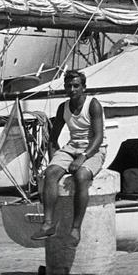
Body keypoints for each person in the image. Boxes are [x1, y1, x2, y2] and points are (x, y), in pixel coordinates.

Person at [32, 68, 106, 243]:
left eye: (75, 86)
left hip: (93, 148)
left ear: (83, 88)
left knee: (81, 176)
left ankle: (75, 228)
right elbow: (53, 138)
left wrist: (83, 157)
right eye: (68, 86)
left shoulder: (93, 105)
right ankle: (48, 224)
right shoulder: (63, 107)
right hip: (72, 147)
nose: (72, 90)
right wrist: (55, 162)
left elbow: (98, 137)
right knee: (50, 174)